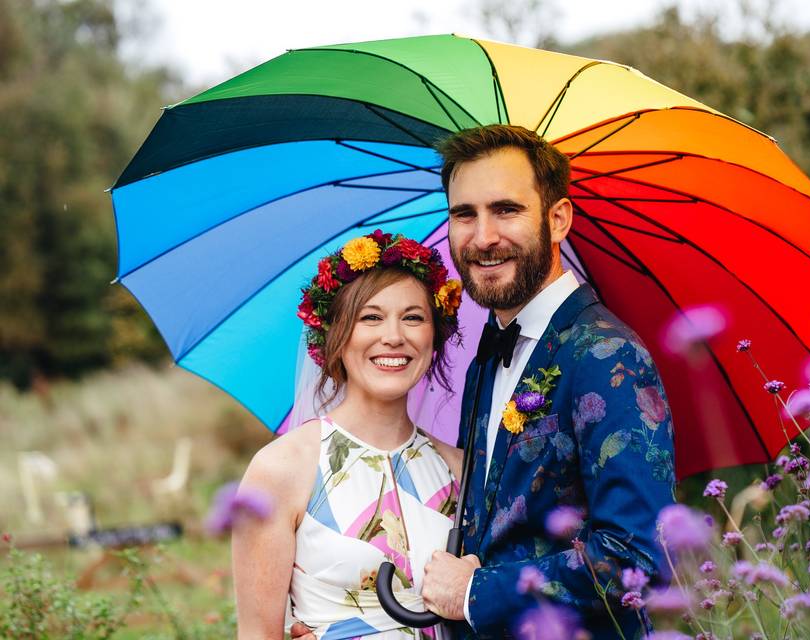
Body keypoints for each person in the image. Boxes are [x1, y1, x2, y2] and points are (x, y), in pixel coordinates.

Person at [419, 125, 677, 637]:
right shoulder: (487, 355)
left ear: (557, 219)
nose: (483, 237)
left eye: (506, 210)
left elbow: (639, 559)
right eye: (464, 214)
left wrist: (476, 592)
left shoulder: (607, 355)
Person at [233, 231, 465, 639]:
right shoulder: (282, 469)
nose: (393, 336)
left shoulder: (458, 468)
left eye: (413, 317)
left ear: (434, 337)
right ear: (336, 336)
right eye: (370, 317)